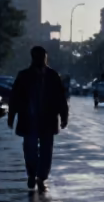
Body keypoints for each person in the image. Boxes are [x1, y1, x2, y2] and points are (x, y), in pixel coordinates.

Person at [8, 46, 69, 191]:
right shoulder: (23, 76)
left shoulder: (53, 76)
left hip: (47, 119)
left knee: (46, 151)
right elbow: (15, 98)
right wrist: (11, 115)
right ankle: (31, 175)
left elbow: (61, 98)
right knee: (30, 150)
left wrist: (64, 116)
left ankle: (41, 178)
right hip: (29, 119)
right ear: (33, 58)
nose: (41, 59)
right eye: (38, 57)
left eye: (43, 57)